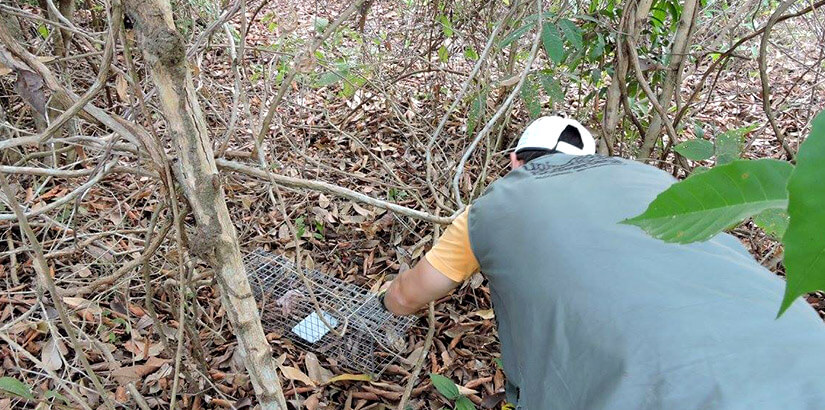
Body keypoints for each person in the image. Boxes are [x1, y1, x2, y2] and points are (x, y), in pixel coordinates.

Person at [380, 116, 825, 409]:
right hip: (804, 350)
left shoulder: (490, 209)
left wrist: (383, 306)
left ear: (515, 161)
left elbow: (408, 295)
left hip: (654, 390)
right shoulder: (652, 177)